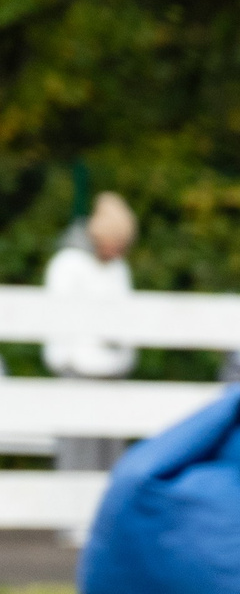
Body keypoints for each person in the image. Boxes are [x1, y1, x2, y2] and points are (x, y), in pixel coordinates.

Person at [43, 192, 139, 472]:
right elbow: (58, 324)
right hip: (78, 374)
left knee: (111, 458)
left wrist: (122, 360)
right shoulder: (68, 264)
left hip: (113, 374)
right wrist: (69, 363)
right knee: (77, 456)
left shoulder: (118, 268)